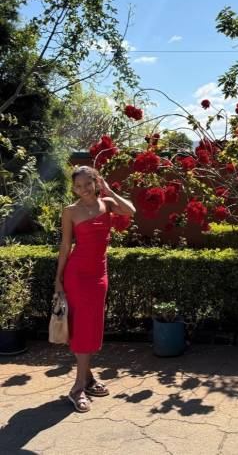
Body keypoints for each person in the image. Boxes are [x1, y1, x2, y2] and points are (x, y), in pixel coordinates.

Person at [54, 165, 136, 413]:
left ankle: (88, 380)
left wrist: (109, 190)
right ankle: (77, 388)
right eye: (78, 186)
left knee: (90, 327)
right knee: (82, 327)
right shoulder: (70, 211)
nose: (83, 190)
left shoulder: (107, 204)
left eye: (87, 184)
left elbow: (130, 210)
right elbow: (66, 246)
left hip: (99, 276)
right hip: (77, 276)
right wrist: (58, 278)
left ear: (96, 182)